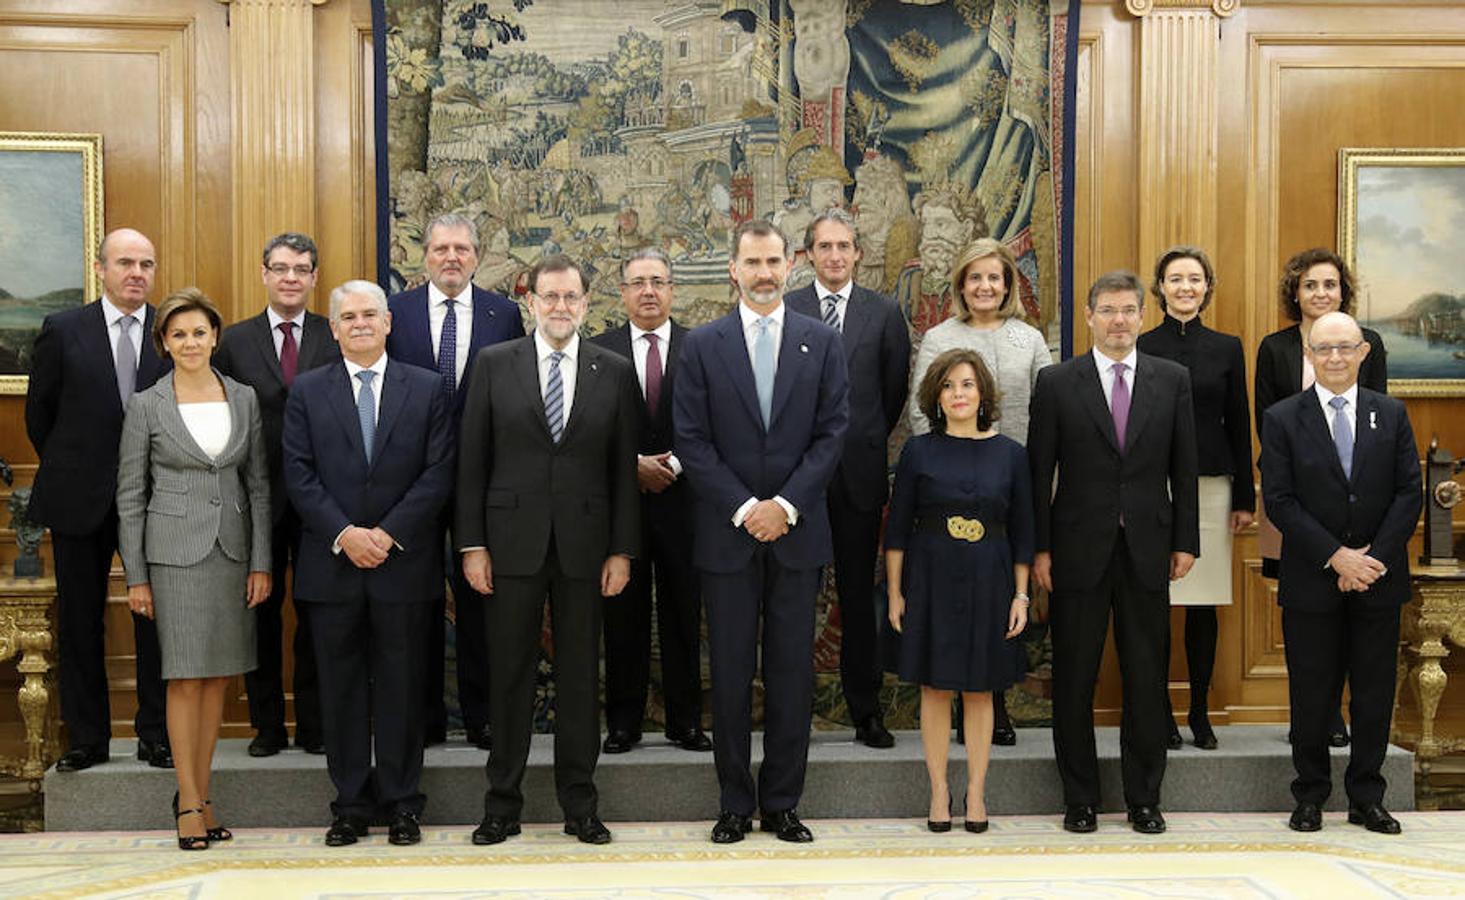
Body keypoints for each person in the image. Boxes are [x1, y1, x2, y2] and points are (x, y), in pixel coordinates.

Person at [674, 220, 850, 844]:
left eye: (774, 260)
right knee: (726, 675)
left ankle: (781, 803)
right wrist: (748, 507)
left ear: (790, 264)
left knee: (790, 673)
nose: (765, 272)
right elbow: (690, 441)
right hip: (729, 536)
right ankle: (732, 802)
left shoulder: (821, 342)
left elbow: (833, 434)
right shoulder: (701, 345)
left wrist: (787, 506)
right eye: (753, 262)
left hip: (797, 536)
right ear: (734, 268)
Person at [456, 255, 640, 846]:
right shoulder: (492, 364)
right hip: (509, 546)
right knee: (508, 675)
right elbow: (471, 464)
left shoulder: (612, 370)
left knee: (581, 678)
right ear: (529, 301)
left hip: (587, 548)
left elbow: (622, 471)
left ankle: (580, 806)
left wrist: (622, 550)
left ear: (587, 304)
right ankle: (501, 806)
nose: (561, 307)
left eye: (572, 297)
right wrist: (473, 545)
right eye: (550, 296)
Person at [283, 280, 455, 847]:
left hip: (402, 565)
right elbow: (298, 475)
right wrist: (344, 534)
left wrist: (386, 534)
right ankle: (351, 805)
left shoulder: (427, 389)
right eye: (347, 316)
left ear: (388, 323)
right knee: (342, 690)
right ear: (332, 328)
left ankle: (404, 804)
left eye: (369, 314)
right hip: (332, 567)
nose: (359, 323)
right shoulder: (306, 392)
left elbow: (438, 474)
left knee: (404, 689)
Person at [1028, 270, 1199, 836]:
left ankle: (1144, 799)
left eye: (1128, 310)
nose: (1119, 320)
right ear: (1089, 315)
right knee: (1074, 678)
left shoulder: (1172, 379)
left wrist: (1186, 541)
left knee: (1146, 678)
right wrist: (1040, 550)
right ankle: (1080, 798)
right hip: (1076, 551)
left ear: (1142, 316)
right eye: (1108, 310)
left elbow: (1185, 469)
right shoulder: (1057, 382)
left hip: (1149, 549)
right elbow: (1039, 475)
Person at [115, 288, 272, 850]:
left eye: (199, 332)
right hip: (173, 558)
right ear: (163, 342)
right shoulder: (147, 404)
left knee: (216, 679)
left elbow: (257, 485)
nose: (190, 342)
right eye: (178, 333)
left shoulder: (244, 398)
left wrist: (261, 562)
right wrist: (136, 576)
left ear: (215, 337)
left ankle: (205, 798)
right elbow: (131, 495)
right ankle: (185, 802)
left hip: (232, 555)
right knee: (183, 678)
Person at [1260, 311, 1421, 835]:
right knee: (1312, 693)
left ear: (1363, 352)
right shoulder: (1283, 418)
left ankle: (1367, 797)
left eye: (1344, 348)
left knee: (1374, 692)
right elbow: (1280, 501)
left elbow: (1408, 493)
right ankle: (1309, 796)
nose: (1334, 358)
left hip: (1378, 578)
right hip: (1313, 578)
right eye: (1323, 349)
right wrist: (1336, 556)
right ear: (1309, 354)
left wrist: (1369, 561)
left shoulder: (1390, 414)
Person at [25, 227, 173, 772]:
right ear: (100, 269)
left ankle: (156, 734)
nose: (137, 273)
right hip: (78, 500)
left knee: (156, 623)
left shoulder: (169, 330)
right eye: (126, 262)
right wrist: (80, 466)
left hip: (156, 502)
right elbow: (39, 417)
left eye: (147, 264)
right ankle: (87, 739)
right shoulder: (63, 330)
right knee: (81, 622)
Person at [386, 212, 525, 750]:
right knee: (415, 603)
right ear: (425, 254)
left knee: (480, 601)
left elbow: (511, 397)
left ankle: (482, 715)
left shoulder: (503, 314)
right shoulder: (394, 312)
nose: (451, 257)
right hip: (411, 483)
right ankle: (424, 719)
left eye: (462, 249)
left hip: (483, 483)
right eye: (441, 248)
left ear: (476, 255)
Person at [908, 237, 1051, 745]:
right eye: (975, 278)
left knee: (1002, 595)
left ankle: (994, 699)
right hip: (949, 487)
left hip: (1012, 484)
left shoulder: (1030, 340)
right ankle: (952, 700)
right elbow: (919, 411)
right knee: (954, 596)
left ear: (1008, 283)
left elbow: (1049, 414)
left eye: (994, 277)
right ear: (961, 285)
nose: (985, 286)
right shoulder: (938, 337)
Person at [886, 349, 1032, 833]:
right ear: (936, 396)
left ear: (983, 393)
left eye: (967, 385)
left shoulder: (1011, 454)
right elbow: (897, 530)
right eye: (948, 386)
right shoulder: (918, 451)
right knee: (934, 686)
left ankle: (975, 790)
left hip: (991, 579)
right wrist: (894, 593)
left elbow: (1024, 533)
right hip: (930, 577)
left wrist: (1021, 595)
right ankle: (938, 789)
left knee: (979, 688)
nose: (958, 394)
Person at [785, 208, 909, 749]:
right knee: (794, 598)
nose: (835, 255)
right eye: (825, 246)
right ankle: (793, 712)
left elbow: (892, 392)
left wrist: (859, 439)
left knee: (859, 598)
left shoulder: (883, 313)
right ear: (808, 254)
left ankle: (866, 712)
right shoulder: (787, 309)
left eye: (844, 246)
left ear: (858, 253)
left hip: (858, 475)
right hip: (796, 480)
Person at [1255, 247, 1388, 747]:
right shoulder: (1275, 347)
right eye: (1310, 285)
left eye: (1329, 285)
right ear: (1296, 292)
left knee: (1352, 615)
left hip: (1360, 514)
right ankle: (1309, 714)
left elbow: (1379, 419)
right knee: (1307, 616)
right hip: (1294, 505)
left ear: (1343, 291)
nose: (1320, 293)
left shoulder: (1367, 342)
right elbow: (1267, 424)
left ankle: (1334, 713)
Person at [214, 232, 339, 758]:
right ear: (263, 273)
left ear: (314, 278)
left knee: (315, 614)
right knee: (260, 614)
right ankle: (267, 725)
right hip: (254, 499)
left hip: (321, 499)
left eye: (302, 269)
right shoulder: (234, 342)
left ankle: (312, 724)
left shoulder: (334, 335)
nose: (291, 277)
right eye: (281, 268)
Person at [589, 248, 711, 755]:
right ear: (621, 292)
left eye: (658, 281)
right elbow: (587, 430)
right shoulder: (596, 350)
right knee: (623, 616)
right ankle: (624, 722)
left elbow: (714, 418)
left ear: (672, 290)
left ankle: (685, 721)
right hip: (622, 505)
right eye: (637, 282)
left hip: (685, 505)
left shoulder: (700, 347)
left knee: (684, 614)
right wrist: (631, 467)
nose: (648, 291)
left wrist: (673, 465)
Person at [1136, 246, 1254, 751]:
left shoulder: (1227, 347)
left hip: (1210, 487)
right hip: (1151, 486)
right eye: (1175, 278)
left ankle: (1200, 712)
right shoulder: (1140, 345)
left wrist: (1244, 497)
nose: (1186, 287)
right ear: (1159, 287)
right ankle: (1159, 710)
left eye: (1195, 279)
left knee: (1202, 606)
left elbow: (1239, 421)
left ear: (1208, 287)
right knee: (1154, 604)